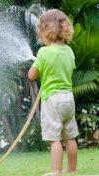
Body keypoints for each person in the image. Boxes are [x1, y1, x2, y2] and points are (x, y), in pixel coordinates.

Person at [28, 9, 79, 175]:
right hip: (68, 98)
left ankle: (56, 171)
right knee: (70, 136)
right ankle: (71, 169)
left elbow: (31, 75)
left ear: (45, 30)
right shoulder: (69, 50)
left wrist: (39, 64)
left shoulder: (43, 52)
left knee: (54, 139)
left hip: (52, 99)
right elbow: (67, 69)